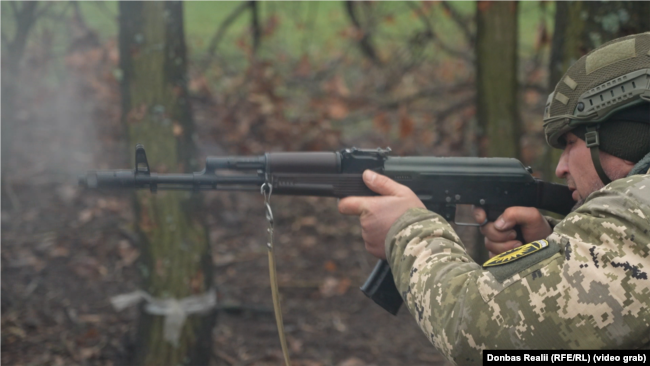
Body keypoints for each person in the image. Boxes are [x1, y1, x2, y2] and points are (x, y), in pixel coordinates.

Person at [339, 33, 650, 363]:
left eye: (571, 142)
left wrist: (405, 233)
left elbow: (477, 334)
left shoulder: (638, 208)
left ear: (623, 140)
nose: (560, 168)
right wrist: (555, 251)